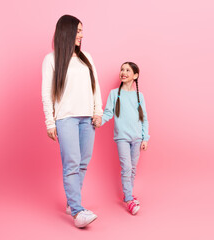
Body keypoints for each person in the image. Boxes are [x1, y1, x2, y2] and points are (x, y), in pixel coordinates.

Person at [41, 15, 102, 228]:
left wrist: (98, 111)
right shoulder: (51, 59)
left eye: (82, 30)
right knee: (72, 163)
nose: (81, 35)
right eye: (77, 31)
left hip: (88, 119)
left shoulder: (86, 57)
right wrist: (50, 121)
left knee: (83, 162)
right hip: (66, 118)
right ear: (66, 32)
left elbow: (96, 86)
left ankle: (71, 202)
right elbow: (47, 93)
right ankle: (77, 212)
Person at [99, 62, 150, 215]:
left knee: (133, 169)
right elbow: (108, 113)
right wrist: (97, 121)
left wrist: (145, 138)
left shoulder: (139, 96)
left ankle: (129, 193)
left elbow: (144, 119)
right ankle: (128, 199)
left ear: (135, 76)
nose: (123, 72)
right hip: (122, 138)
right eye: (122, 69)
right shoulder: (114, 94)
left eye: (128, 70)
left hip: (137, 139)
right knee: (126, 168)